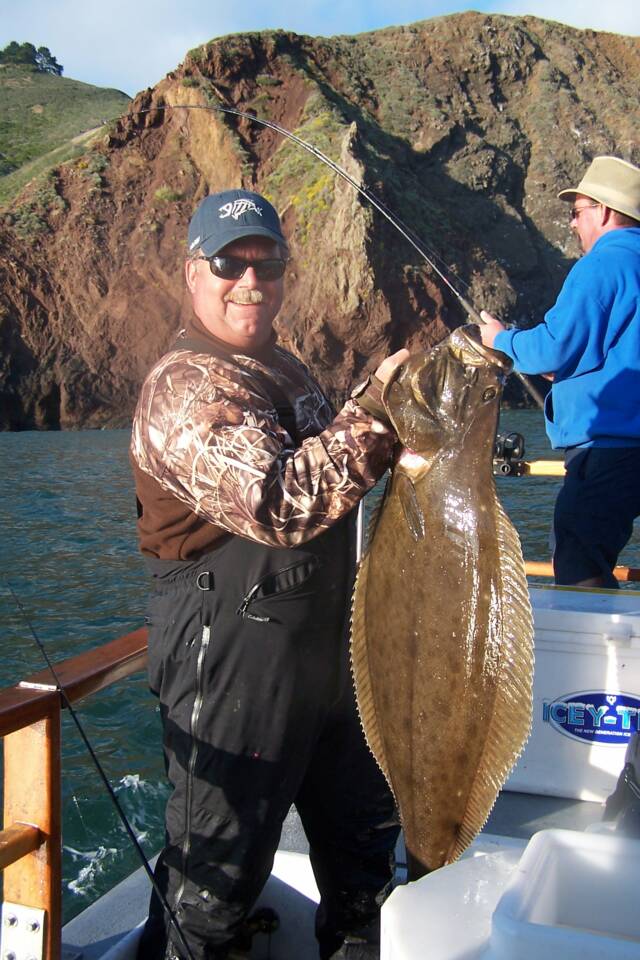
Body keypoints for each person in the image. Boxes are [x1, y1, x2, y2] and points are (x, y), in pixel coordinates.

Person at [130, 187, 408, 960]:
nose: (250, 280)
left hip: (326, 662)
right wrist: (379, 416)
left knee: (365, 868)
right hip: (228, 667)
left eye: (268, 262)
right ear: (194, 272)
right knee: (213, 893)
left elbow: (333, 455)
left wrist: (386, 406)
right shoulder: (186, 385)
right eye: (229, 262)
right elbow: (276, 499)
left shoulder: (277, 364)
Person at [480, 156, 640, 588]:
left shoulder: (601, 266)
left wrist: (499, 340)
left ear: (604, 211)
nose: (572, 224)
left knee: (577, 559)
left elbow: (551, 348)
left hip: (609, 448)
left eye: (577, 212)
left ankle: (599, 656)